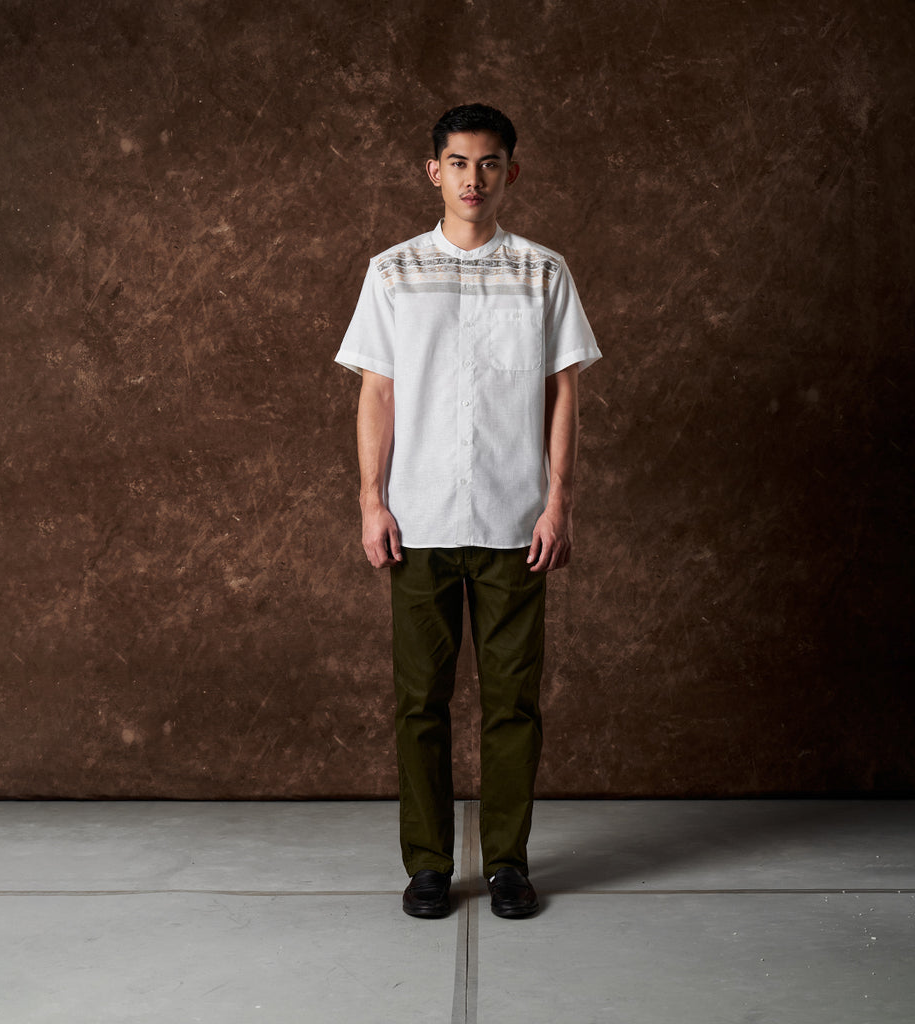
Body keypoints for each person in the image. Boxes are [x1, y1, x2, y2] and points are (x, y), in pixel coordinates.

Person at [335, 103, 601, 919]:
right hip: (417, 521)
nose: (472, 178)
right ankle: (427, 865)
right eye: (457, 162)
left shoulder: (544, 273)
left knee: (512, 703)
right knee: (419, 701)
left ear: (510, 172)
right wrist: (371, 500)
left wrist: (558, 502)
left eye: (488, 163)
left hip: (514, 523)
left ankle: (508, 864)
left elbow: (563, 393)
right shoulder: (393, 272)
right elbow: (377, 393)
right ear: (434, 172)